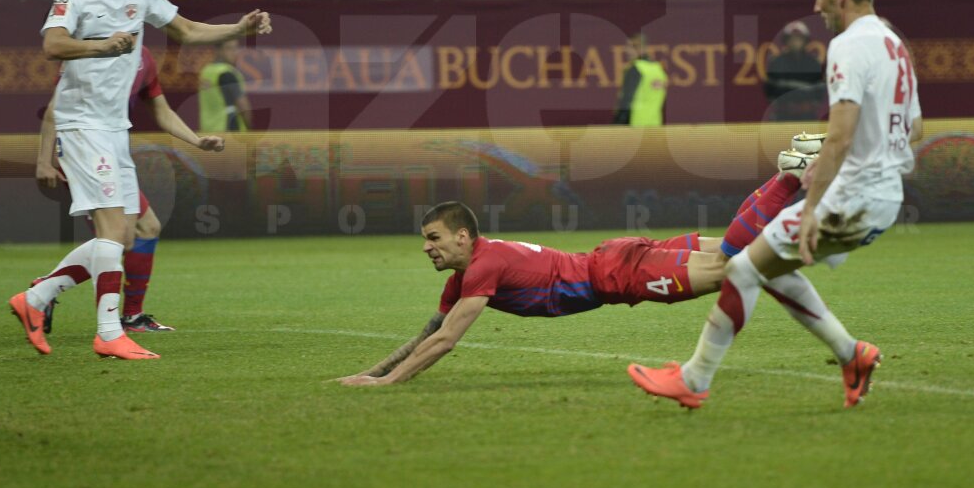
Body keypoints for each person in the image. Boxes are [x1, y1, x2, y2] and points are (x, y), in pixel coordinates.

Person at [631, 0, 923, 409]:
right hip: (883, 195)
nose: (815, 6)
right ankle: (852, 354)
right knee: (765, 265)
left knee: (741, 269)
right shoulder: (893, 45)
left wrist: (811, 209)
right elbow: (914, 127)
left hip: (854, 198)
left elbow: (842, 135)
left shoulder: (848, 45)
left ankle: (694, 378)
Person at [9, 0, 272, 360]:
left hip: (115, 131)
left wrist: (237, 29)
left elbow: (186, 30)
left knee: (131, 233)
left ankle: (37, 297)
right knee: (114, 231)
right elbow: (53, 45)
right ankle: (109, 332)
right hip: (82, 126)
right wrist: (102, 45)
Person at [336, 160, 812, 386]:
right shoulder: (464, 276)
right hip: (614, 258)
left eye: (434, 237)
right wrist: (369, 372)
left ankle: (789, 179)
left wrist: (387, 384)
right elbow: (429, 334)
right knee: (735, 251)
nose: (427, 247)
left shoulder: (483, 265)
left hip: (619, 274)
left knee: (732, 262)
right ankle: (787, 176)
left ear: (462, 236)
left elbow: (445, 342)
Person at [35, 46, 217, 334]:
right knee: (116, 236)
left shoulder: (143, 56)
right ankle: (46, 293)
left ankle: (128, 315)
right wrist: (44, 161)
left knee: (143, 229)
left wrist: (196, 141)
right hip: (84, 149)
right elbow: (55, 109)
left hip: (111, 151)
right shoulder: (92, 48)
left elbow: (161, 109)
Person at [764, 21, 825, 121]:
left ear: (805, 41)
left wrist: (807, 106)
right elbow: (769, 91)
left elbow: (819, 93)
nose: (795, 42)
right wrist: (784, 105)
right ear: (786, 41)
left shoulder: (814, 64)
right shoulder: (776, 63)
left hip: (807, 119)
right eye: (792, 38)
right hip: (781, 118)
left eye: (799, 38)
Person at [612, 31, 668, 126]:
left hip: (635, 125)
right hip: (655, 124)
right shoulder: (658, 69)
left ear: (641, 48)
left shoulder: (635, 69)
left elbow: (627, 100)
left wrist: (618, 123)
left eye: (631, 47)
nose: (627, 50)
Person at [198, 39, 251, 132]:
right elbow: (243, 106)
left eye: (235, 48)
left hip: (208, 130)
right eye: (229, 48)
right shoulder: (226, 73)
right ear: (218, 50)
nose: (234, 52)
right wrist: (251, 130)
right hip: (228, 130)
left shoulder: (206, 71)